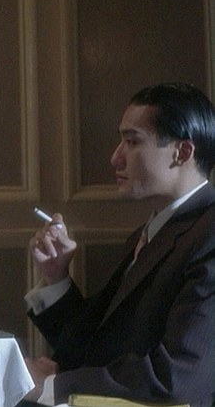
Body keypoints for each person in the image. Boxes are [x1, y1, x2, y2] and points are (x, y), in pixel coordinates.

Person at [22, 82, 215, 407]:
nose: (115, 158)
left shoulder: (209, 235)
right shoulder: (148, 233)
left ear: (182, 152)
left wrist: (52, 385)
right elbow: (97, 347)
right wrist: (57, 277)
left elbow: (178, 377)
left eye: (132, 141)